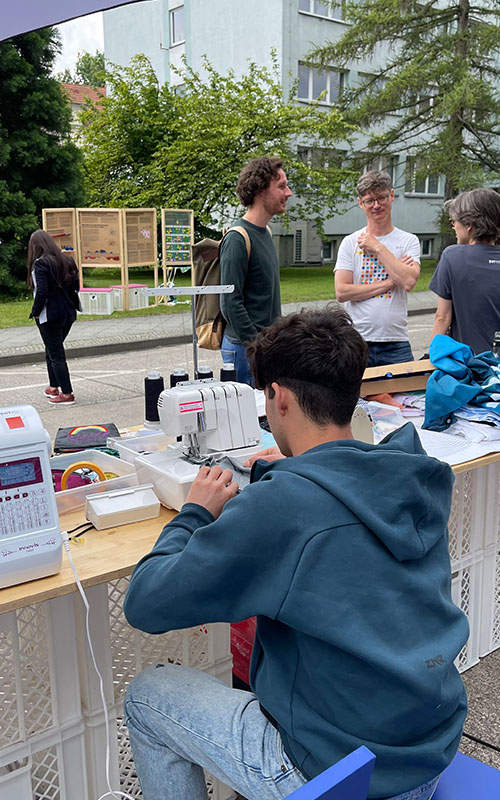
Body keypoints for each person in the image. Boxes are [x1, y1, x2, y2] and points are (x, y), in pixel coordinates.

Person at [123, 308, 468, 800]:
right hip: (426, 748)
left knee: (148, 695)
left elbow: (146, 603)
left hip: (343, 776)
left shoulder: (284, 506)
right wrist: (294, 469)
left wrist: (195, 512)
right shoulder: (412, 474)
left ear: (277, 397)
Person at [335, 170, 421, 367]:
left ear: (391, 196)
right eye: (369, 200)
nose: (376, 205)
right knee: (355, 397)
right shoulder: (350, 242)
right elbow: (342, 291)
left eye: (381, 197)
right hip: (357, 341)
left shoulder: (408, 241)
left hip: (395, 342)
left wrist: (377, 247)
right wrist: (391, 282)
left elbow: (408, 281)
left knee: (406, 397)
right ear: (360, 203)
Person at [219, 156, 292, 385]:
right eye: (281, 186)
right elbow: (230, 303)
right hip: (245, 352)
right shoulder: (238, 238)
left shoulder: (266, 232)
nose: (288, 193)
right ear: (260, 190)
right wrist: (256, 346)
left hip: (263, 349)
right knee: (246, 419)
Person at [429, 188, 500, 354]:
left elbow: (442, 318)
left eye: (454, 221)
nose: (453, 225)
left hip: (471, 365)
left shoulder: (452, 257)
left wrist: (432, 357)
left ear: (469, 225)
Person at [28, 229, 81, 405]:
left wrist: (35, 312)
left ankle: (67, 394)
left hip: (49, 315)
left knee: (56, 353)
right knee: (51, 349)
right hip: (68, 313)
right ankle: (53, 387)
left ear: (35, 246)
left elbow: (41, 292)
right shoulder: (68, 260)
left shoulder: (40, 264)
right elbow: (77, 287)